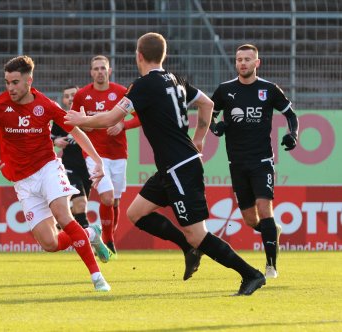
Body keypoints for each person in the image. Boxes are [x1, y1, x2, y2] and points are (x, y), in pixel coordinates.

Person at [65, 32, 266, 296]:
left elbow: (109, 119)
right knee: (136, 213)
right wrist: (199, 139)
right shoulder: (176, 80)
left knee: (198, 234)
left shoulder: (143, 85)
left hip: (180, 167)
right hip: (172, 167)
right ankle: (187, 247)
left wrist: (80, 120)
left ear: (139, 56)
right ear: (164, 55)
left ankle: (251, 274)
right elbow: (207, 103)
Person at [0, 55, 112, 292]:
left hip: (47, 168)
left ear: (29, 81)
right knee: (50, 243)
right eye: (7, 82)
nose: (10, 88)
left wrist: (97, 160)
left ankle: (97, 277)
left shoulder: (46, 106)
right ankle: (90, 233)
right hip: (22, 181)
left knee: (63, 216)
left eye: (15, 82)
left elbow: (76, 132)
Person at [209, 44, 299, 279]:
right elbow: (209, 112)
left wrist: (293, 135)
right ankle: (272, 231)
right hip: (236, 163)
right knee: (251, 219)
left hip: (262, 161)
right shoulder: (225, 90)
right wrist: (214, 127)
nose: (243, 63)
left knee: (264, 208)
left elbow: (290, 113)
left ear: (257, 63)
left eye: (248, 59)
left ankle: (271, 266)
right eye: (239, 59)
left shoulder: (268, 89)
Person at [71, 55, 140, 257]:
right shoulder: (82, 95)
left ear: (109, 71)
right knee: (107, 198)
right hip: (94, 155)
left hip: (119, 155)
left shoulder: (121, 93)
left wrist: (122, 124)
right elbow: (72, 122)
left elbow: (140, 118)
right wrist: (86, 124)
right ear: (91, 72)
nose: (100, 72)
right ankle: (107, 241)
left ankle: (109, 237)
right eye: (96, 69)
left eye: (103, 68)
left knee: (115, 202)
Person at [51, 85, 93, 229]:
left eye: (73, 95)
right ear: (63, 99)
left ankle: (60, 226)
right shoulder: (60, 119)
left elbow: (97, 133)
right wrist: (55, 141)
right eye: (67, 96)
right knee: (80, 203)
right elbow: (49, 137)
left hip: (88, 167)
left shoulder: (88, 116)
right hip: (68, 167)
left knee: (79, 207)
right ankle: (90, 241)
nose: (70, 99)